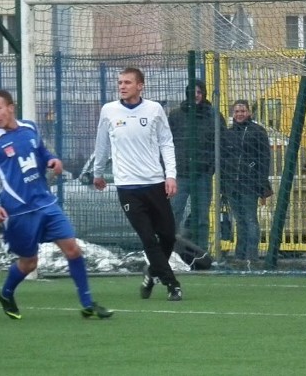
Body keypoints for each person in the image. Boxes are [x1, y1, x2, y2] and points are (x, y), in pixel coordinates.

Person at [0, 89, 112, 320]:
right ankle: (6, 292)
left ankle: (88, 303)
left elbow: (42, 153)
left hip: (46, 203)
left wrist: (53, 160)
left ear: (11, 107)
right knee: (29, 263)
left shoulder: (30, 128)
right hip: (19, 212)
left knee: (73, 249)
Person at [92, 67, 183, 302]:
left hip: (154, 183)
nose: (122, 86)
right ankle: (172, 284)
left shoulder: (154, 110)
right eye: (120, 82)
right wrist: (97, 173)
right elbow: (101, 144)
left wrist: (170, 175)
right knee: (148, 239)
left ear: (140, 86)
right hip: (128, 189)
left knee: (168, 236)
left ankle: (152, 272)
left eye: (127, 82)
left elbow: (166, 142)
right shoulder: (109, 111)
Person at [167, 79, 224, 251]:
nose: (196, 96)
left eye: (199, 92)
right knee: (174, 213)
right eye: (193, 92)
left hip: (203, 174)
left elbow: (221, 143)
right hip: (180, 174)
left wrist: (211, 167)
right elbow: (166, 142)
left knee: (202, 218)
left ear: (204, 94)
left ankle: (201, 253)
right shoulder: (176, 115)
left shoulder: (214, 115)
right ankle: (171, 251)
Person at [220, 100, 271, 261]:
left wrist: (261, 182)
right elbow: (223, 160)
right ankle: (240, 255)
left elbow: (265, 159)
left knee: (250, 219)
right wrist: (223, 184)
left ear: (249, 112)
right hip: (231, 184)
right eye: (236, 111)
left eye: (243, 111)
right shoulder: (228, 133)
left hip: (250, 183)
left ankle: (252, 256)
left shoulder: (258, 131)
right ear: (232, 114)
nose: (240, 114)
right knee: (239, 220)